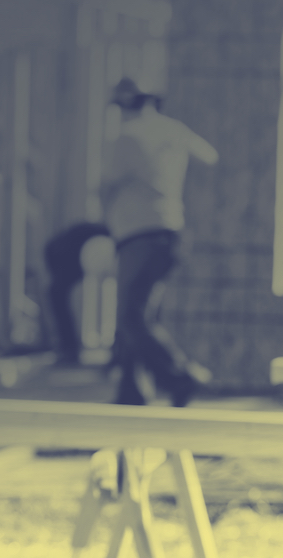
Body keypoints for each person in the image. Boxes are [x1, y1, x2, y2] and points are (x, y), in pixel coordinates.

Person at [100, 77, 218, 406]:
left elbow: (107, 185)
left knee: (131, 317)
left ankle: (181, 377)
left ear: (124, 104)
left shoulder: (126, 137)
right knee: (141, 317)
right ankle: (131, 391)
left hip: (138, 235)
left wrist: (105, 219)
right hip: (170, 232)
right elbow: (209, 157)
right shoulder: (173, 130)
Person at [42, 221, 112, 366]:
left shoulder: (61, 250)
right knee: (56, 295)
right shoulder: (62, 255)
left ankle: (69, 349)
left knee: (56, 295)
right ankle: (69, 349)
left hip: (89, 242)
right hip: (89, 243)